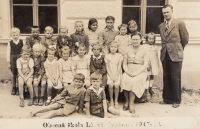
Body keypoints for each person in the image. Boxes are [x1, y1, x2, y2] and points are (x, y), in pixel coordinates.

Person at [158, 4, 189, 108]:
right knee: (166, 76)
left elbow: (185, 39)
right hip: (165, 54)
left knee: (176, 77)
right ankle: (167, 99)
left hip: (176, 54)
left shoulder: (179, 23)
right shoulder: (161, 26)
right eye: (164, 13)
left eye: (167, 12)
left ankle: (176, 100)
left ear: (172, 11)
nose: (166, 14)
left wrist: (179, 48)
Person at [121, 34, 149, 115]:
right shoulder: (127, 49)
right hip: (129, 70)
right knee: (125, 79)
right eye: (133, 39)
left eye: (137, 39)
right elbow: (124, 64)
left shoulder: (145, 49)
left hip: (140, 71)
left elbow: (146, 64)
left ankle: (131, 103)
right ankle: (126, 101)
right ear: (131, 40)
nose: (135, 41)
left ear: (140, 40)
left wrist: (137, 72)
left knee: (134, 81)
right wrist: (127, 72)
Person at [105, 41, 123, 108]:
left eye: (115, 47)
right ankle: (111, 100)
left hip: (117, 72)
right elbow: (107, 67)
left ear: (117, 48)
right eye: (111, 47)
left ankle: (116, 100)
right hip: (110, 72)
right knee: (110, 85)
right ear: (109, 48)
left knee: (116, 85)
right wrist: (111, 75)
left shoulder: (119, 56)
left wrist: (116, 75)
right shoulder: (107, 56)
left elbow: (119, 66)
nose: (113, 48)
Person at [7, 27, 24, 95]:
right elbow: (8, 53)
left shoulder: (22, 42)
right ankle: (14, 87)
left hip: (20, 59)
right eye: (13, 35)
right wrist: (8, 62)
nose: (15, 36)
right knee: (14, 74)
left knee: (20, 73)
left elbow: (24, 50)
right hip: (13, 59)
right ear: (11, 35)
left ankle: (20, 87)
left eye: (16, 35)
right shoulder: (10, 43)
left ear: (19, 35)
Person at [143, 32, 159, 101]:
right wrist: (146, 64)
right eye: (150, 38)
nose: (151, 40)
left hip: (154, 63)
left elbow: (156, 56)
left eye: (152, 39)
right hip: (147, 63)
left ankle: (150, 88)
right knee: (147, 76)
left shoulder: (155, 47)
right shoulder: (144, 46)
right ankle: (146, 89)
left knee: (152, 76)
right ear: (147, 39)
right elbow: (144, 56)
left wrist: (157, 65)